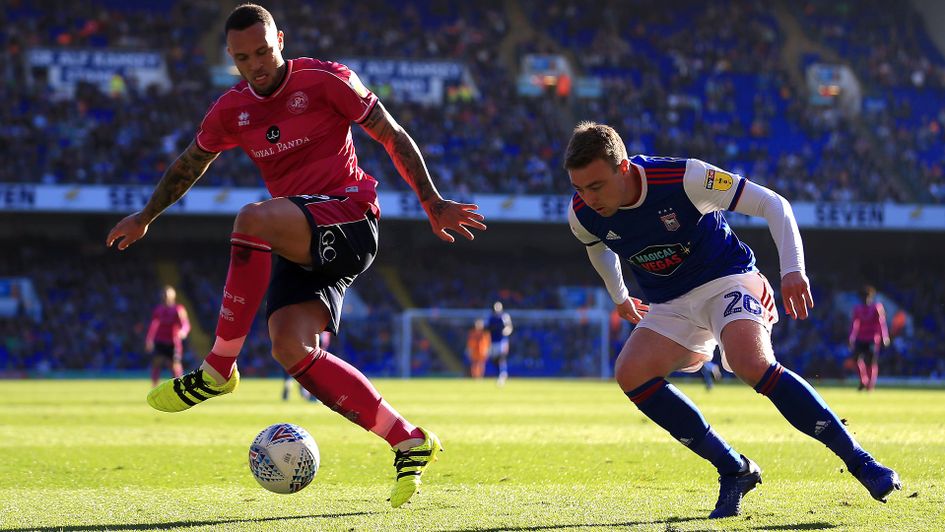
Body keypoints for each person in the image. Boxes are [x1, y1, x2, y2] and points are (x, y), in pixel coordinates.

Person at [105, 4, 485, 508]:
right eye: (243, 58)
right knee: (289, 347)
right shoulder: (231, 110)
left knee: (251, 219)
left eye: (263, 51)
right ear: (231, 57)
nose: (256, 64)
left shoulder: (326, 80)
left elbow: (391, 134)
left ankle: (218, 368)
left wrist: (431, 201)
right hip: (300, 233)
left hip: (349, 216)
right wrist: (147, 215)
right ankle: (407, 440)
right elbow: (191, 162)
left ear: (280, 40)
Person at [564, 122, 900, 518]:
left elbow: (774, 204)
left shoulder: (684, 178)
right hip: (669, 303)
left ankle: (861, 461)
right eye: (579, 188)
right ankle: (734, 469)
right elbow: (599, 249)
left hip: (727, 279)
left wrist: (793, 270)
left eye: (596, 186)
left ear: (623, 168)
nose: (588, 198)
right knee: (630, 374)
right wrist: (620, 297)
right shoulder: (582, 213)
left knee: (749, 362)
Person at [145, 285, 190, 387]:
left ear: (173, 296)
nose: (165, 296)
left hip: (173, 342)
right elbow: (153, 325)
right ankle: (154, 386)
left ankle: (178, 386)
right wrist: (149, 339)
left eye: (167, 294)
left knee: (174, 365)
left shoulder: (178, 309)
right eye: (164, 294)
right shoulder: (158, 309)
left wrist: (183, 331)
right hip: (160, 340)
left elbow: (185, 323)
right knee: (156, 362)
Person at [849, 285, 890, 391]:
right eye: (863, 297)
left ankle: (870, 385)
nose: (866, 299)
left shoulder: (877, 307)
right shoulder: (857, 309)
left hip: (872, 338)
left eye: (867, 297)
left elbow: (881, 323)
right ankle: (863, 380)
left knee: (871, 361)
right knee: (856, 359)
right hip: (860, 338)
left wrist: (884, 337)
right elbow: (854, 324)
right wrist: (851, 337)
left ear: (871, 297)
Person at [283, 330, 330, 401]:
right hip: (314, 349)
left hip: (304, 347)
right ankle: (311, 394)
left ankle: (289, 384)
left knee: (298, 369)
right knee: (310, 372)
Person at [487, 301, 513, 385]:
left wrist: (506, 331)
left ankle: (502, 374)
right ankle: (500, 373)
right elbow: (488, 329)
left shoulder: (504, 317)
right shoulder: (491, 318)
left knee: (501, 358)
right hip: (493, 342)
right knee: (494, 359)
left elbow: (509, 327)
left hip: (501, 341)